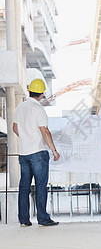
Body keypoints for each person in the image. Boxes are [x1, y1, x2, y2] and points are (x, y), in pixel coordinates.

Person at [13, 79, 60, 227]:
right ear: (41, 94)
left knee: (24, 186)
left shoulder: (20, 108)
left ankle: (24, 220)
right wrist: (54, 150)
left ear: (29, 91)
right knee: (40, 186)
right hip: (38, 152)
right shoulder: (38, 109)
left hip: (23, 153)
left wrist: (26, 138)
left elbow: (15, 128)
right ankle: (42, 219)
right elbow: (44, 131)